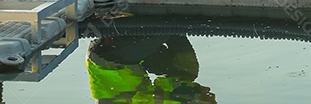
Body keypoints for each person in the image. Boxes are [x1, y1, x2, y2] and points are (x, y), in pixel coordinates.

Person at [87, 34, 216, 103]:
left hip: (112, 58)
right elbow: (163, 85)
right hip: (127, 60)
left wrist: (196, 97)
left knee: (163, 28)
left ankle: (170, 20)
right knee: (186, 72)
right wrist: (194, 93)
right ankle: (174, 23)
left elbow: (156, 98)